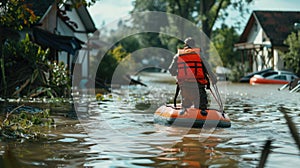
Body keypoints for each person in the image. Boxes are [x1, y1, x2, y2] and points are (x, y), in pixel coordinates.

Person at [168, 37, 214, 116]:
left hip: (185, 86)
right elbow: (208, 68)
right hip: (199, 85)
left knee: (186, 105)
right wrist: (214, 78)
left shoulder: (178, 55)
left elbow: (171, 70)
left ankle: (185, 114)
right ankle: (201, 115)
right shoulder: (200, 55)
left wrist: (178, 74)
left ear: (185, 45)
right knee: (201, 107)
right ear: (194, 45)